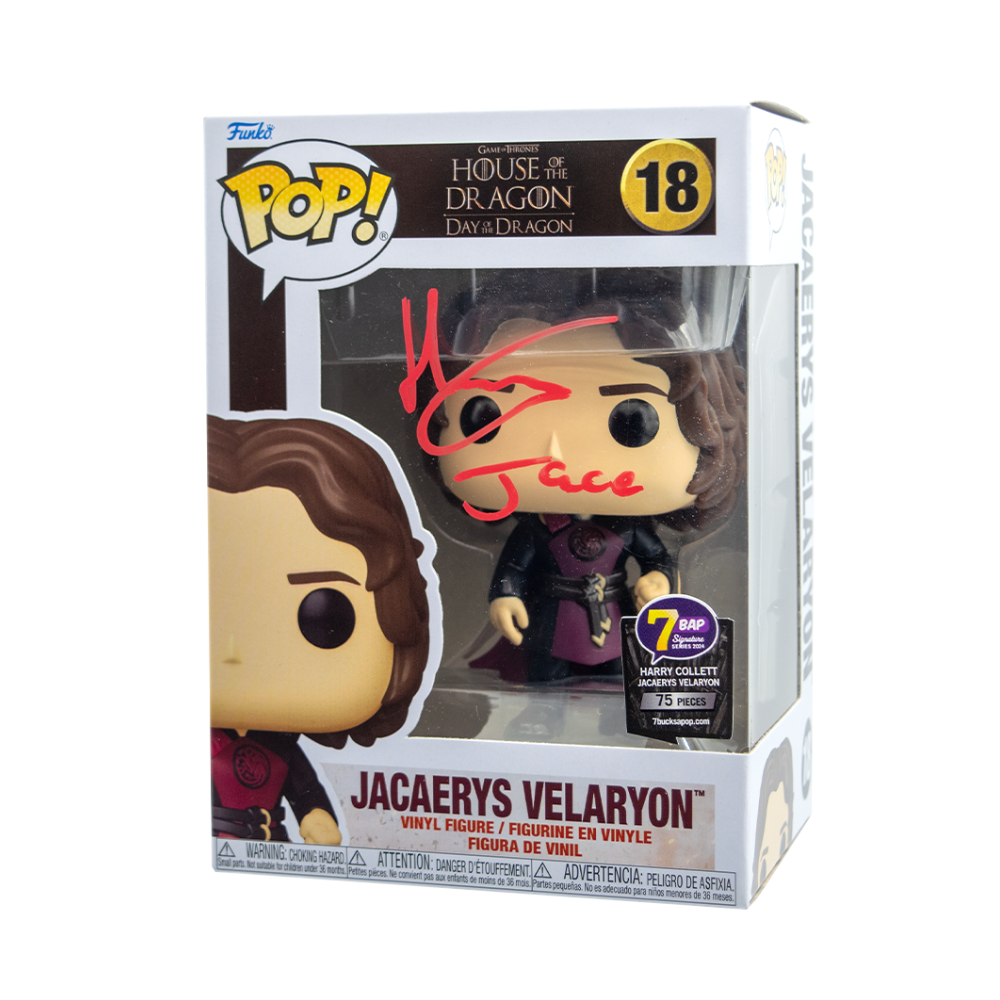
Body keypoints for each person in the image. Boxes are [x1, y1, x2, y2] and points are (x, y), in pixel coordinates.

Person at [431, 317, 745, 682]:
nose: (555, 455)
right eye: (487, 416)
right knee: (546, 679)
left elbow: (657, 556)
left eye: (632, 420)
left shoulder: (626, 527)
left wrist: (659, 579)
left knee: (622, 676)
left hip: (615, 614)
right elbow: (514, 567)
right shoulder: (538, 528)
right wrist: (505, 596)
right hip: (552, 618)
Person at [208, 416, 430, 842]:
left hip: (270, 848)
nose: (234, 651)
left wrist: (316, 815)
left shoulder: (279, 744)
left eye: (325, 619)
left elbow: (305, 791)